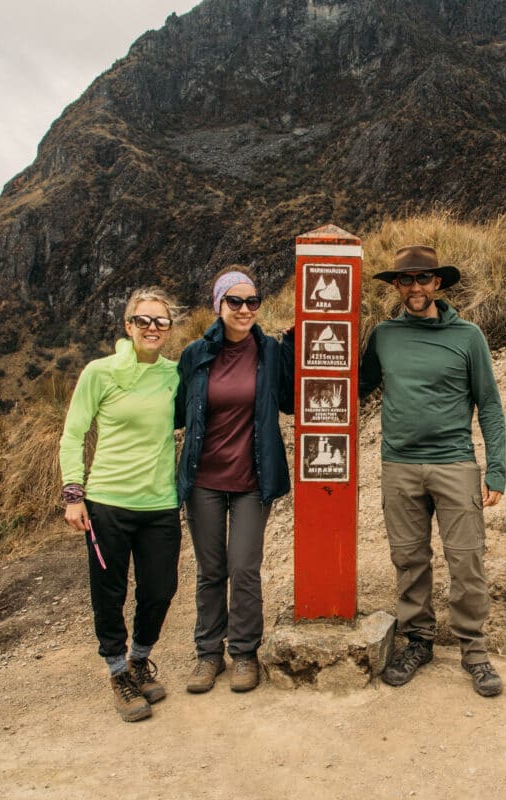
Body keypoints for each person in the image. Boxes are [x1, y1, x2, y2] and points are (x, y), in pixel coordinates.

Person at [359, 244, 506, 697]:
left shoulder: (468, 337)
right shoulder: (383, 335)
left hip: (454, 463)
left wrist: (496, 469)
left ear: (437, 283)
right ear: (397, 287)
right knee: (409, 559)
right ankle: (418, 641)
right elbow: (355, 387)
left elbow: (490, 405)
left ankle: (474, 650)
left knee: (467, 560)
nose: (415, 287)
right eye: (406, 280)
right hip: (399, 465)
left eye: (423, 279)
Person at [60, 287, 182, 723]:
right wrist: (74, 494)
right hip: (107, 502)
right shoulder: (100, 372)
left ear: (169, 329)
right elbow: (74, 434)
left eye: (161, 322)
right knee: (108, 594)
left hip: (160, 503)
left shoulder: (174, 374)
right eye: (143, 321)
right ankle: (117, 673)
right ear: (128, 326)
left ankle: (138, 659)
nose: (152, 328)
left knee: (160, 589)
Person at [175, 266, 294, 694]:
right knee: (211, 570)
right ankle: (209, 654)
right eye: (235, 301)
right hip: (204, 479)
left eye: (252, 301)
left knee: (244, 567)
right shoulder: (195, 354)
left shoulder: (271, 351)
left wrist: (297, 345)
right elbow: (177, 411)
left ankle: (244, 652)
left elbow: (290, 403)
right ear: (218, 305)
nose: (245, 309)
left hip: (252, 478)